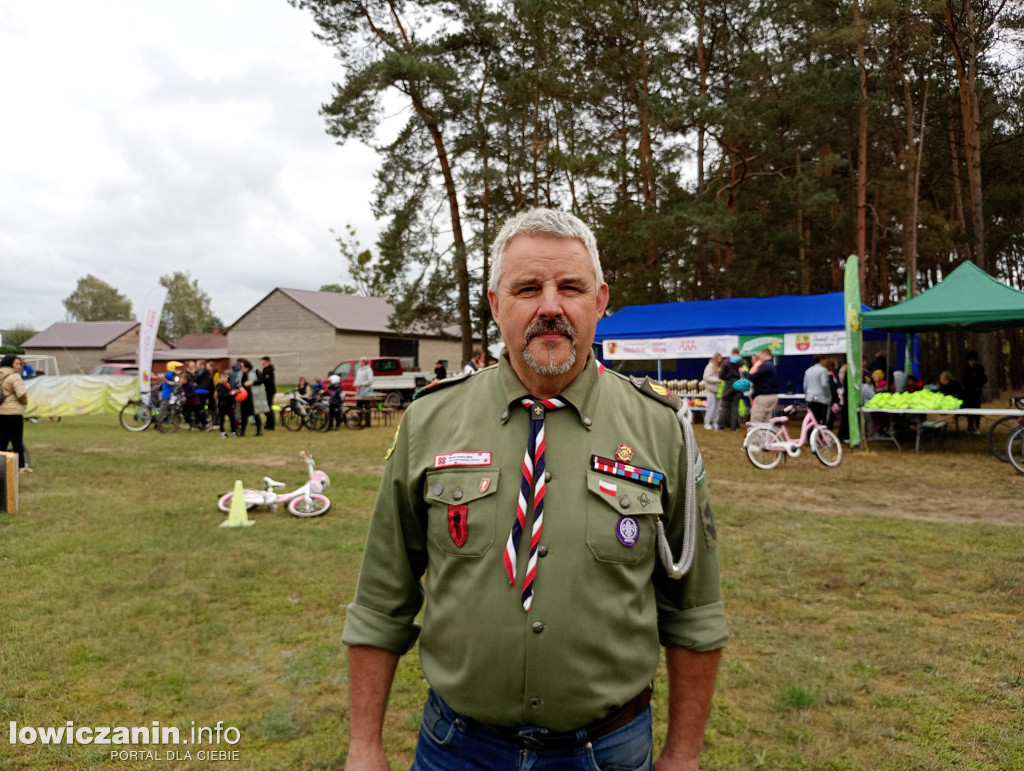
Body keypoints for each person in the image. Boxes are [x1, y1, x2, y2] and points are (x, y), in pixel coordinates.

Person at [343, 208, 727, 771]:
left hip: (609, 752)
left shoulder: (661, 429)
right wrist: (364, 745)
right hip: (459, 750)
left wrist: (684, 754)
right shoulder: (429, 421)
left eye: (570, 286)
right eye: (528, 288)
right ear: (498, 305)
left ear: (599, 302)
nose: (551, 305)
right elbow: (382, 598)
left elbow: (695, 612)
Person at [0, 355, 31, 472]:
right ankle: (20, 466)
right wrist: (24, 402)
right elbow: (21, 394)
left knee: (2, 441)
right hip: (14, 413)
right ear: (10, 365)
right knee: (17, 441)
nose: (19, 367)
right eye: (17, 364)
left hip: (1, 413)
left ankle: (1, 467)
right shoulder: (15, 376)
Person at [716, 347, 745, 431]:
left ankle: (720, 427)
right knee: (735, 407)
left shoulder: (726, 362)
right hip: (738, 385)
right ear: (738, 353)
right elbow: (746, 373)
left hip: (728, 385)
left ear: (732, 353)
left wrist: (726, 378)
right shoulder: (742, 362)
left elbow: (721, 376)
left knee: (724, 406)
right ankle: (734, 428)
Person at [747, 349, 778, 424]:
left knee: (756, 421)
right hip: (772, 396)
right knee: (766, 421)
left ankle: (755, 436)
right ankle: (766, 436)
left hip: (763, 397)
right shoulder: (771, 365)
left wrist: (745, 373)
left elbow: (754, 378)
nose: (759, 358)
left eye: (760, 356)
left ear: (765, 355)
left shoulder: (765, 365)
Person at [962, 349, 987, 435]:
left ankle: (977, 427)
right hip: (968, 393)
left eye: (973, 360)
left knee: (977, 410)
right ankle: (970, 427)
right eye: (970, 360)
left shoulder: (980, 368)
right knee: (969, 410)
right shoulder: (966, 369)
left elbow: (984, 378)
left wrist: (978, 385)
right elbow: (964, 381)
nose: (971, 362)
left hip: (976, 392)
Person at [803, 354, 832, 425]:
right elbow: (824, 385)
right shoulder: (823, 370)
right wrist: (828, 395)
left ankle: (810, 435)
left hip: (810, 399)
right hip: (821, 399)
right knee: (821, 420)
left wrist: (807, 396)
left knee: (811, 420)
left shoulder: (808, 370)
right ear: (822, 360)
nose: (827, 362)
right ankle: (820, 435)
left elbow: (805, 386)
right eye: (826, 360)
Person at [237, 359, 263, 437]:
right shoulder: (241, 374)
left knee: (255, 414)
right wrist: (240, 387)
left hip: (253, 397)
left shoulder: (255, 371)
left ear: (247, 367)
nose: (241, 368)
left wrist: (252, 382)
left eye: (242, 367)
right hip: (244, 397)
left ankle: (259, 430)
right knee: (244, 415)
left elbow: (261, 380)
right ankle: (242, 432)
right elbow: (238, 383)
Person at [215, 366, 240, 437]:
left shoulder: (228, 385)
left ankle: (233, 431)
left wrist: (235, 392)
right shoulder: (219, 386)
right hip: (222, 405)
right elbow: (221, 396)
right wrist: (230, 394)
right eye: (223, 378)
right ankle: (222, 432)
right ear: (219, 378)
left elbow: (230, 395)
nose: (225, 379)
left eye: (226, 378)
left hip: (229, 405)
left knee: (232, 419)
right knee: (222, 419)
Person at [701, 353, 723, 430]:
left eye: (721, 359)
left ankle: (715, 422)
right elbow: (706, 377)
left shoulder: (719, 367)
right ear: (715, 359)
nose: (720, 361)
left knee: (717, 408)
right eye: (718, 359)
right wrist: (717, 380)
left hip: (718, 390)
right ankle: (707, 423)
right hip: (711, 390)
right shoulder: (709, 366)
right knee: (710, 407)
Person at [260, 356, 276, 430]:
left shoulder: (269, 369)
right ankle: (268, 423)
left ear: (267, 361)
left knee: (269, 407)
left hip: (269, 391)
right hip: (266, 391)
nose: (262, 363)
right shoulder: (265, 369)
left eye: (264, 361)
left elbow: (265, 380)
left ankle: (271, 425)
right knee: (266, 408)